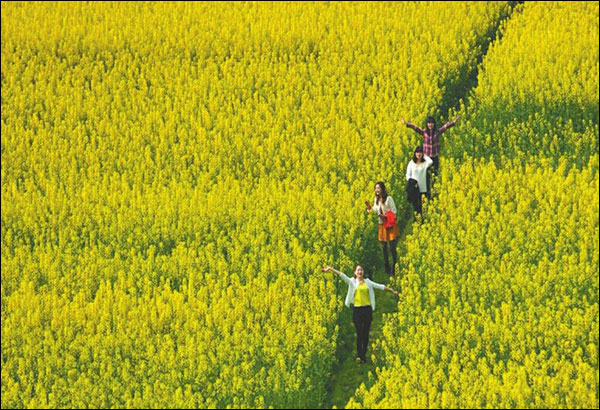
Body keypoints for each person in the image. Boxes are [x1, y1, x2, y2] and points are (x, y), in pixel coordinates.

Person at [321, 265, 398, 364]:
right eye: (358, 270)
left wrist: (392, 291)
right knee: (359, 333)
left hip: (367, 310)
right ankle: (359, 355)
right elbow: (341, 275)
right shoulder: (352, 282)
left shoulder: (368, 282)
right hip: (357, 311)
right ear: (355, 272)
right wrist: (330, 269)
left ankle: (363, 356)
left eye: (361, 270)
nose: (360, 272)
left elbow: (380, 286)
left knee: (365, 334)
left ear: (363, 272)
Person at [401, 115, 460, 192]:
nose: (430, 124)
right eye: (429, 123)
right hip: (427, 159)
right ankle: (427, 192)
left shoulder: (437, 132)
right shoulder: (424, 132)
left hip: (435, 157)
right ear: (427, 124)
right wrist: (406, 124)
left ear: (434, 124)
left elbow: (445, 127)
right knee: (426, 176)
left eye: (432, 123)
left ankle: (434, 190)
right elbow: (415, 128)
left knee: (435, 174)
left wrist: (454, 122)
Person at [365, 182, 399, 275]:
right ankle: (387, 267)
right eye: (375, 188)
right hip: (382, 225)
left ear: (382, 189)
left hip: (390, 225)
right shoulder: (376, 199)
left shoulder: (389, 199)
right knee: (384, 247)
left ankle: (395, 265)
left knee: (392, 247)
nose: (377, 190)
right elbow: (374, 211)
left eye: (378, 188)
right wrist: (369, 207)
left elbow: (394, 211)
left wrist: (386, 216)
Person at [406, 146, 433, 216]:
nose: (419, 154)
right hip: (414, 188)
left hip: (423, 188)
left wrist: (425, 155)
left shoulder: (425, 163)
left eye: (420, 152)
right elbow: (408, 175)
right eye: (417, 152)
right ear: (415, 153)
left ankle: (423, 219)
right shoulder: (411, 163)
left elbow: (431, 161)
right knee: (415, 206)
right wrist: (412, 183)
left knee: (423, 206)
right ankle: (416, 219)